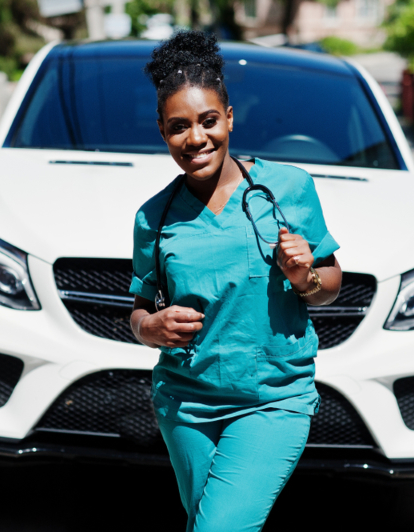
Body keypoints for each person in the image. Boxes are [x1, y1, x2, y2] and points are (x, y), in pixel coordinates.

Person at [128, 31, 342, 532]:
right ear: (162, 130)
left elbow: (331, 283)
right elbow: (138, 307)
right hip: (185, 405)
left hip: (273, 399)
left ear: (228, 117)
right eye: (179, 126)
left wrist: (304, 276)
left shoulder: (288, 189)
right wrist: (150, 328)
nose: (195, 138)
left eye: (207, 121)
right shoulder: (153, 218)